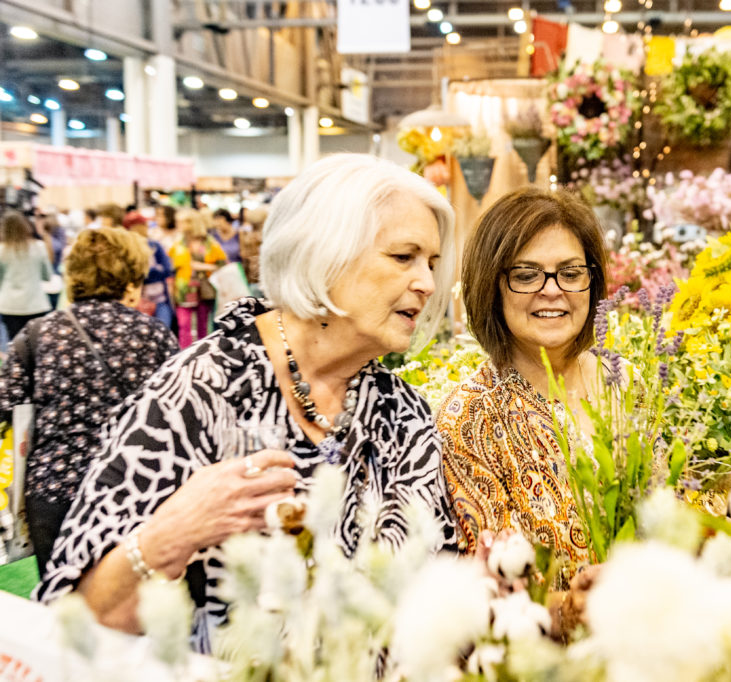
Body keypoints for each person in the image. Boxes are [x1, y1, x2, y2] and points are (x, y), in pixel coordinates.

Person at [35, 153, 459, 652]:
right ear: (323, 252)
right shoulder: (199, 392)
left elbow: (434, 588)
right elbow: (77, 618)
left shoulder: (402, 413)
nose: (427, 284)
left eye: (432, 263)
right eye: (403, 257)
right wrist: (171, 533)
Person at [436, 187, 609, 591]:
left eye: (570, 272)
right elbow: (495, 588)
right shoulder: (469, 420)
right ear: (491, 287)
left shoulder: (629, 385)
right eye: (526, 274)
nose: (552, 290)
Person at [0, 228, 178, 573]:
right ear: (130, 279)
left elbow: (4, 403)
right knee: (128, 612)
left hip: (54, 491)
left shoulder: (38, 333)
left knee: (61, 608)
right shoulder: (154, 335)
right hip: (134, 488)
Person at [169, 209, 227, 347]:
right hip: (184, 289)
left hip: (205, 289)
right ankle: (185, 354)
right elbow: (171, 267)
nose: (179, 225)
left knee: (203, 325)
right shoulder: (178, 243)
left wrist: (203, 267)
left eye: (183, 222)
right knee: (184, 326)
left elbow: (222, 264)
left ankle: (203, 352)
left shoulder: (209, 243)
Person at [0, 211, 53, 340]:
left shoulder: (1, 250)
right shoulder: (39, 247)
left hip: (9, 306)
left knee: (15, 345)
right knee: (36, 345)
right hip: (36, 304)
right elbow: (47, 276)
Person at [123, 211, 175, 330]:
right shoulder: (126, 248)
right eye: (143, 224)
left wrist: (145, 272)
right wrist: (154, 270)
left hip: (160, 300)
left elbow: (167, 270)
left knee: (164, 331)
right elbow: (130, 274)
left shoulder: (155, 245)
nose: (147, 227)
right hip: (136, 302)